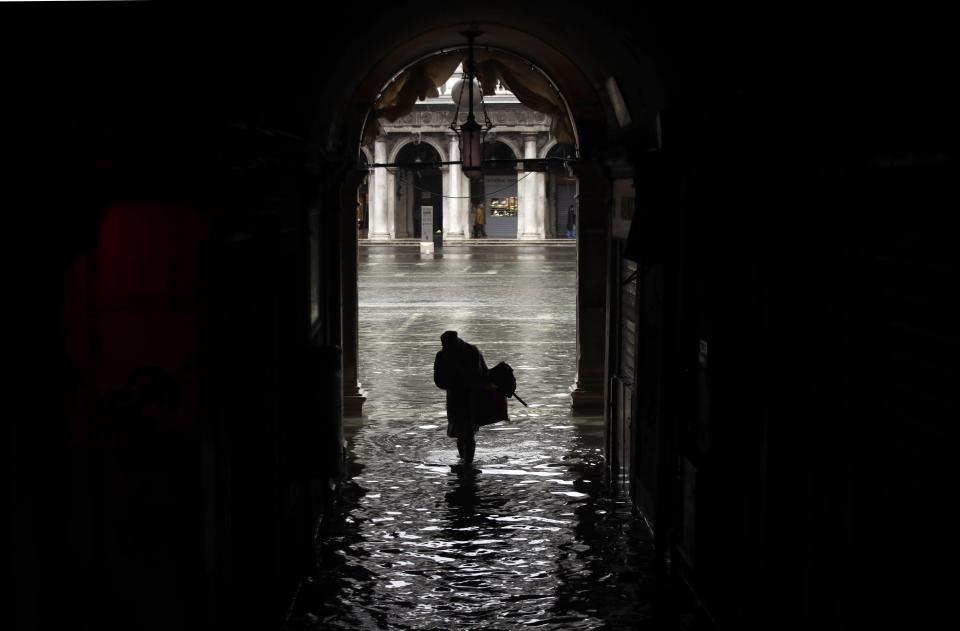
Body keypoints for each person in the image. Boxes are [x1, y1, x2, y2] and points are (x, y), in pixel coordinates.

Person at [433, 330, 488, 465]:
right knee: (461, 432)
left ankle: (467, 462)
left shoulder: (469, 352)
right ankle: (466, 462)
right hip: (458, 397)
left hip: (469, 397)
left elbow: (476, 375)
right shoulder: (446, 354)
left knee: (466, 431)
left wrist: (453, 376)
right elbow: (438, 379)